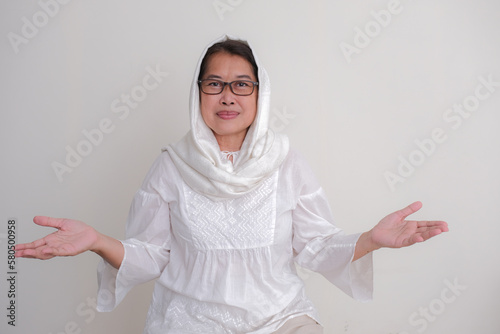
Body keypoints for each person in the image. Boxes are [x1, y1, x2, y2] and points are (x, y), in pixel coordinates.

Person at [15, 35, 448, 334]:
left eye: (241, 84)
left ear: (260, 95)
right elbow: (151, 256)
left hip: (279, 319)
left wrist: (371, 239)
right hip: (189, 320)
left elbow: (315, 246)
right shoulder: (170, 166)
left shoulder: (287, 163)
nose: (228, 96)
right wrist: (97, 240)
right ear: (198, 93)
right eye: (214, 84)